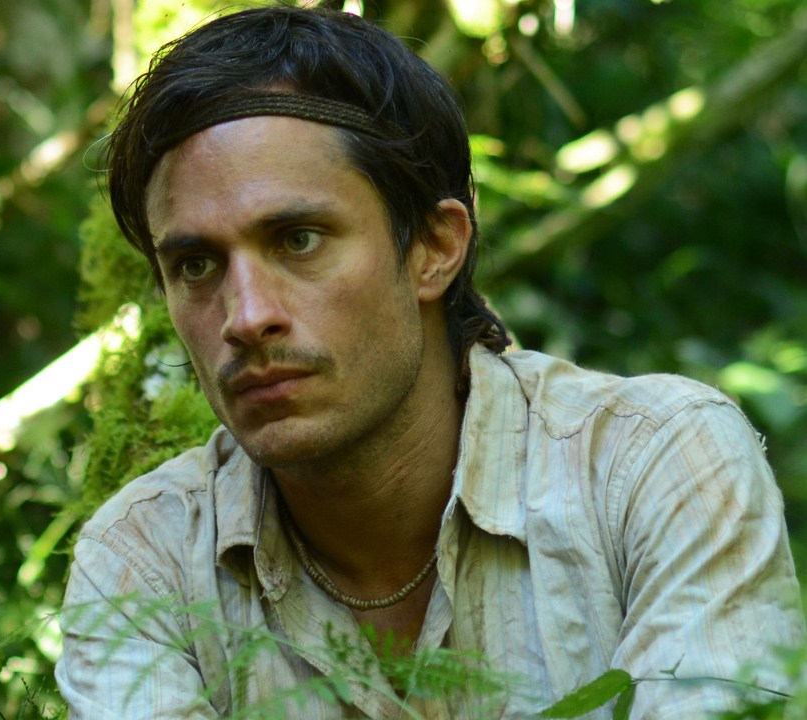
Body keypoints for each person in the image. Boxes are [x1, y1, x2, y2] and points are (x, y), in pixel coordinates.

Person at [56, 6, 803, 718]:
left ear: (434, 249)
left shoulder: (654, 466)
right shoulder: (143, 559)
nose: (246, 316)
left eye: (299, 239)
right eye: (195, 264)